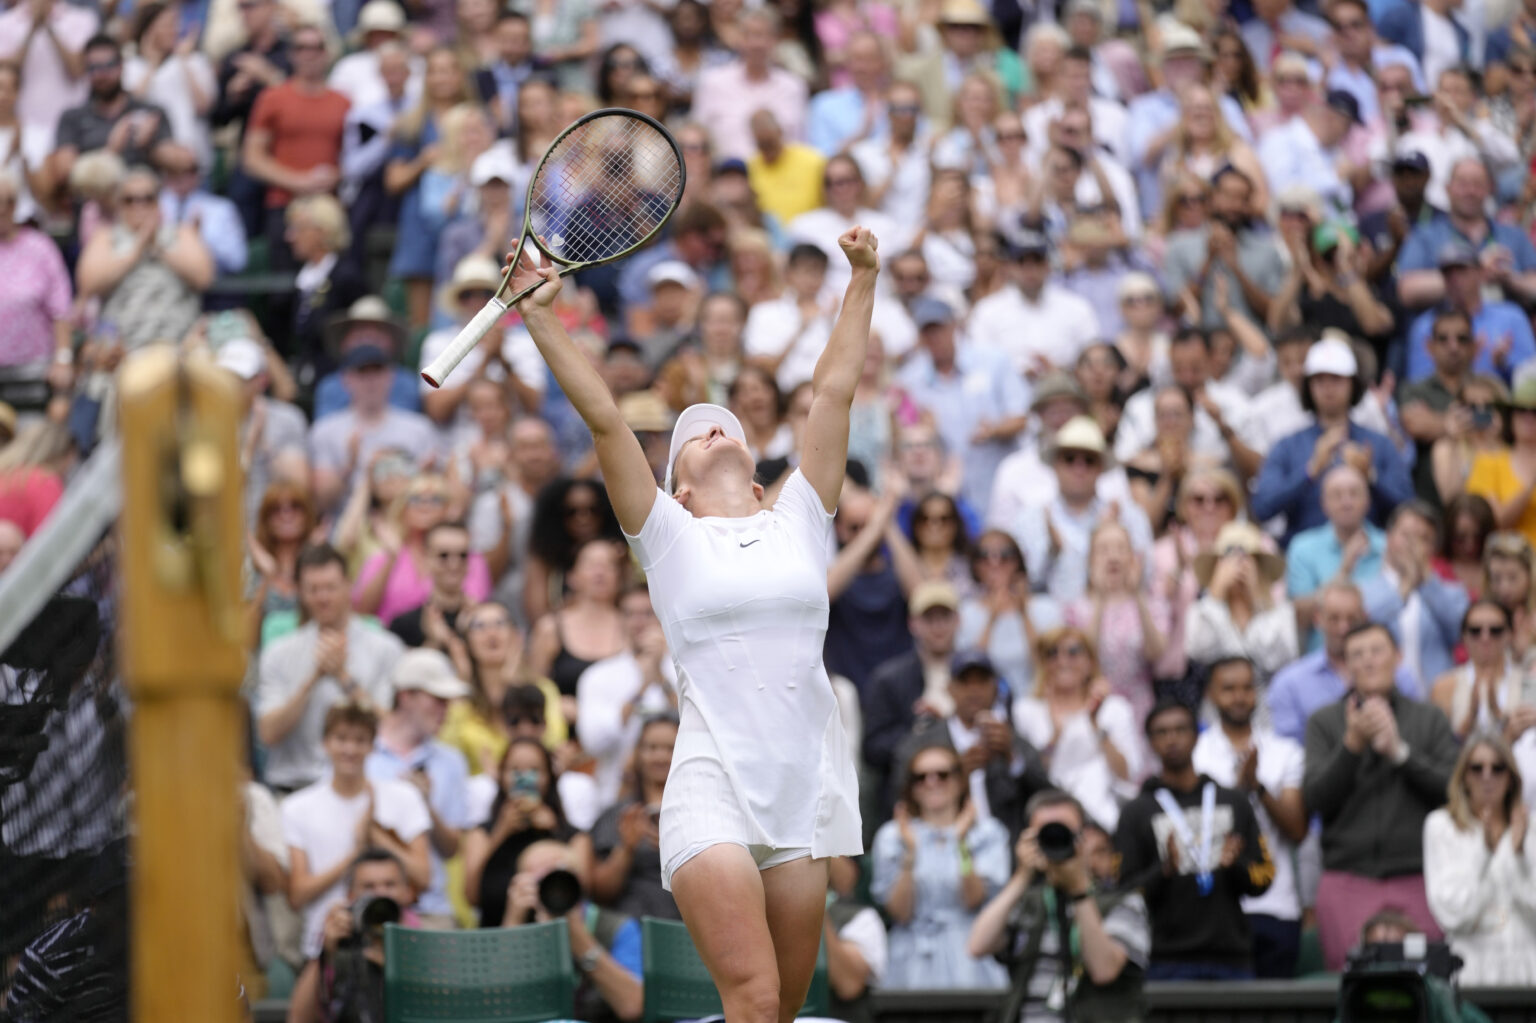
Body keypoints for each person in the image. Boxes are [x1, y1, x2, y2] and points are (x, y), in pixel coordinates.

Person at [501, 226, 875, 1023]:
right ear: (677, 492)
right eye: (689, 434)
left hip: (802, 788)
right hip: (713, 786)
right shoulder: (668, 538)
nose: (712, 427)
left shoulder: (801, 517)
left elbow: (834, 389)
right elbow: (605, 419)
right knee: (754, 994)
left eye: (725, 423)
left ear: (752, 456)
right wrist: (540, 319)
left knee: (781, 1011)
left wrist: (863, 278)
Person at [1302, 622, 1460, 970]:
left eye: (1377, 651)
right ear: (1345, 665)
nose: (1368, 661)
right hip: (1347, 876)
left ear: (1398, 657)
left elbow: (1454, 792)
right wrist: (1351, 747)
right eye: (1357, 654)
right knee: (1351, 990)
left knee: (1427, 988)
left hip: (1419, 875)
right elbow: (1314, 798)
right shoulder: (1325, 722)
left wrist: (1400, 753)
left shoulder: (1428, 718)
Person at [1114, 699, 1275, 980]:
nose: (1172, 739)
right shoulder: (1136, 812)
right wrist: (1162, 871)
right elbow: (1123, 892)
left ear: (1197, 734)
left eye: (1180, 729)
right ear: (1149, 742)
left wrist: (1234, 865)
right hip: (1165, 959)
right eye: (1162, 732)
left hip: (1231, 956)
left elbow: (1264, 878)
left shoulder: (1233, 801)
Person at [968, 790, 1150, 1023]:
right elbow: (977, 945)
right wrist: (1022, 876)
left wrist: (1079, 890)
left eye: (1064, 832)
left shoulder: (1124, 902)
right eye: (1044, 834)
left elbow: (1104, 969)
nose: (1054, 840)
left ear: (1084, 838)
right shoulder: (1030, 901)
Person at [282, 703, 431, 960]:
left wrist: (377, 835)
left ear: (372, 746)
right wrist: (356, 854)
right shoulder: (297, 807)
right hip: (326, 944)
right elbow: (297, 894)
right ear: (325, 743)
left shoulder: (402, 797)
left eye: (360, 740)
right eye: (341, 739)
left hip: (393, 945)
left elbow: (424, 876)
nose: (350, 749)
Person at [1191, 658, 1309, 979]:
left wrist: (1257, 787)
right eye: (1228, 689)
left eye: (1247, 688)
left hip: (1276, 905)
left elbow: (1297, 829)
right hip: (1211, 911)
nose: (1239, 697)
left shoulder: (1285, 752)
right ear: (1211, 694)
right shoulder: (1195, 754)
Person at [255, 544, 406, 792]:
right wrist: (313, 678)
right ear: (300, 593)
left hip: (366, 786)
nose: (323, 598)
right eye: (313, 590)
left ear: (348, 585)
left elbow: (392, 730)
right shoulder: (279, 653)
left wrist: (343, 677)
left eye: (330, 588)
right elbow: (268, 733)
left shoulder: (386, 648)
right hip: (294, 786)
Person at [870, 743, 1010, 989]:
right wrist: (911, 853)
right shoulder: (893, 836)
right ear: (911, 787)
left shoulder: (987, 833)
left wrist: (961, 843)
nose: (932, 782)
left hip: (969, 956)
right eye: (920, 777)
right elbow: (900, 912)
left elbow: (973, 899)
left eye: (942, 774)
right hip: (909, 960)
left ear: (959, 780)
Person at [1251, 334, 1414, 543]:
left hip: (1369, 557)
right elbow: (1262, 507)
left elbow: (1408, 506)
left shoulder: (1378, 444)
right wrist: (1310, 471)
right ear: (1308, 387)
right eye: (1319, 380)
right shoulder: (1287, 445)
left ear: (1353, 384)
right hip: (1303, 558)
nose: (1328, 387)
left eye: (1336, 379)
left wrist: (1371, 476)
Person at [889, 651, 1052, 842]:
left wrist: (1012, 758)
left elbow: (1045, 794)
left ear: (996, 688)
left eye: (982, 681)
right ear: (949, 688)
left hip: (1007, 850)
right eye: (965, 682)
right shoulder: (922, 743)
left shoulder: (1010, 739)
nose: (974, 690)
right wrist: (955, 775)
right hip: (941, 848)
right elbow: (899, 798)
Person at [364, 648, 473, 930]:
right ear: (405, 696)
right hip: (366, 906)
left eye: (448, 702)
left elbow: (452, 849)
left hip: (431, 910)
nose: (445, 710)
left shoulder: (451, 761)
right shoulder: (359, 753)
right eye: (437, 699)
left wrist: (425, 805)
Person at [1423, 732, 1536, 986]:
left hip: (1528, 971)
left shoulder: (1530, 828)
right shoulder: (1441, 827)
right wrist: (1485, 854)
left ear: (1511, 778)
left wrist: (1518, 856)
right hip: (1471, 970)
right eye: (1477, 768)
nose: (1487, 776)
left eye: (1498, 768)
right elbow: (1453, 915)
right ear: (1464, 776)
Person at [1009, 416, 1154, 604]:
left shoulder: (1129, 516)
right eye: (1070, 459)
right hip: (1052, 629)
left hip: (1112, 623)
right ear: (1055, 464)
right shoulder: (1029, 519)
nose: (1079, 467)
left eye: (1089, 460)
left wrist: (1114, 542)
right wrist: (1051, 554)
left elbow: (1146, 577)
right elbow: (1018, 585)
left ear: (1100, 467)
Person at [1013, 626, 1142, 833]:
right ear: (1043, 663)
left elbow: (1127, 774)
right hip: (1048, 818)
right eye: (1052, 653)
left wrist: (1095, 724)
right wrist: (1055, 734)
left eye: (1073, 652)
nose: (1063, 661)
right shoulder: (1026, 711)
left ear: (1091, 662)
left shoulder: (1114, 708)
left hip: (1104, 819)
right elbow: (1030, 776)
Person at [504, 839, 645, 1023]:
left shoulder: (617, 927)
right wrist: (513, 921)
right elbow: (498, 1005)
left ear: (579, 879)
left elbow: (634, 1007)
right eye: (540, 879)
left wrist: (577, 936)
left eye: (558, 875)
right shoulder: (522, 928)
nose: (552, 888)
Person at [1268, 581, 1425, 743]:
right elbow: (1287, 754)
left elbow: (1416, 735)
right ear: (1318, 618)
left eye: (1352, 619)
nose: (1343, 628)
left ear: (1365, 617)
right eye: (1334, 619)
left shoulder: (1397, 675)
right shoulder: (1290, 683)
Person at [462, 736, 590, 927]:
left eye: (534, 770)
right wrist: (500, 833)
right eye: (514, 770)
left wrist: (555, 832)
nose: (523, 778)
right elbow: (472, 897)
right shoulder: (481, 834)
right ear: (501, 776)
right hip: (497, 942)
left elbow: (585, 893)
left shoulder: (574, 837)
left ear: (549, 777)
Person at [287, 847, 420, 1023]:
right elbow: (298, 1018)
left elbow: (435, 1012)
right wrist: (325, 952)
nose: (379, 894)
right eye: (368, 886)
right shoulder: (344, 935)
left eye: (389, 884)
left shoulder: (421, 939)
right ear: (351, 896)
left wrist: (395, 968)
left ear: (408, 892)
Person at [576, 585, 677, 810]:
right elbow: (593, 743)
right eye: (630, 614)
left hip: (680, 792)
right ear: (619, 620)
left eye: (647, 613)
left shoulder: (684, 669)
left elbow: (695, 727)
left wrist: (661, 679)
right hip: (615, 797)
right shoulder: (597, 676)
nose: (638, 622)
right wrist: (641, 689)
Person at [862, 581, 961, 807]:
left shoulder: (977, 674)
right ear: (913, 623)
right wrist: (919, 731)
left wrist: (950, 725)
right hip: (907, 798)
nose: (938, 626)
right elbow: (872, 750)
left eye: (944, 617)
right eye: (929, 618)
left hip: (965, 794)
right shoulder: (888, 679)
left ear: (957, 621)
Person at [1361, 500, 1471, 689]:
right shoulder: (1364, 590)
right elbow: (1364, 626)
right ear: (1389, 537)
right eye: (1406, 535)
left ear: (1434, 548)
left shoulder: (1452, 592)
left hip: (1434, 699)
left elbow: (1460, 632)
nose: (1413, 545)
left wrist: (1426, 582)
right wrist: (1403, 590)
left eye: (1424, 539)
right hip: (1383, 695)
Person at [589, 712, 681, 921]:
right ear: (637, 754)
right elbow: (601, 893)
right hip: (632, 928)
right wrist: (626, 848)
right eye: (651, 748)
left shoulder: (702, 813)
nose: (660, 757)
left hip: (687, 927)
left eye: (671, 748)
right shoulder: (619, 815)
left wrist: (676, 848)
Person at [956, 530, 1063, 704]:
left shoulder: (1046, 608)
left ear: (1018, 562)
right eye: (984, 555)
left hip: (1038, 704)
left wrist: (1024, 613)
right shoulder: (965, 613)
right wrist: (991, 618)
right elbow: (970, 671)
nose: (995, 562)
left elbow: (1047, 667)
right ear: (974, 565)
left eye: (1005, 555)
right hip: (985, 708)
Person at [1429, 601, 1525, 740]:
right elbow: (1441, 747)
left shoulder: (1528, 683)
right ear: (1464, 636)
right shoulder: (1444, 686)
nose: (1485, 638)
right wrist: (1471, 717)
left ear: (1509, 635)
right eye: (1475, 630)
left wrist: (1497, 713)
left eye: (1495, 630)